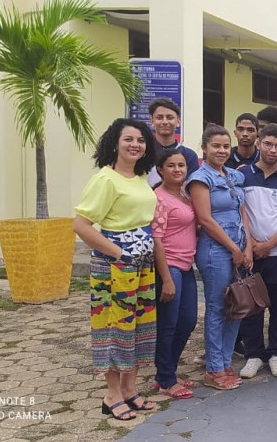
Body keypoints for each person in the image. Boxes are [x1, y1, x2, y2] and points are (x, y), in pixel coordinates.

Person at [73, 118, 160, 420]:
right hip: (114, 265)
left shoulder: (141, 177)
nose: (136, 144)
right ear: (115, 142)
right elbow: (81, 226)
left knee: (138, 326)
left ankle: (130, 389)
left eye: (141, 140)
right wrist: (119, 253)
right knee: (113, 327)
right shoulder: (105, 179)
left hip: (142, 264)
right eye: (129, 139)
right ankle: (111, 395)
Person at [187, 124, 253, 390]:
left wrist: (247, 246)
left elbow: (242, 212)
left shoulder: (234, 177)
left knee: (236, 308)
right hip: (215, 252)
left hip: (239, 250)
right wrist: (234, 249)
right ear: (204, 148)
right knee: (217, 309)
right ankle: (214, 368)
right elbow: (205, 219)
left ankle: (226, 362)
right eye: (216, 146)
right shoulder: (200, 179)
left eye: (226, 146)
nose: (222, 150)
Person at [237, 124, 277, 380]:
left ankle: (276, 354)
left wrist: (269, 245)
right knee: (251, 306)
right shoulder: (243, 176)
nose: (273, 150)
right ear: (259, 143)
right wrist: (252, 245)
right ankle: (254, 355)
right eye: (268, 144)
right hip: (250, 255)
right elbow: (238, 212)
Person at [151, 149, 199, 400]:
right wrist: (166, 279)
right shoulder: (159, 197)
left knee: (188, 321)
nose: (178, 170)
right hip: (168, 266)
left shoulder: (184, 195)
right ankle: (167, 379)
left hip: (186, 265)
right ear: (161, 169)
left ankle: (166, 371)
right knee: (168, 325)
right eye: (171, 165)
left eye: (181, 165)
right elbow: (156, 239)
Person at [146, 98, 199, 186]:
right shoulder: (143, 152)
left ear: (178, 122)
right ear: (152, 121)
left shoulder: (189, 155)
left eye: (170, 117)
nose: (165, 122)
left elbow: (191, 187)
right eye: (159, 117)